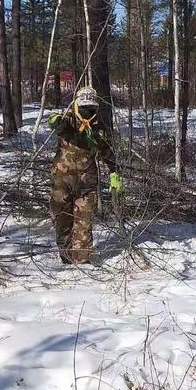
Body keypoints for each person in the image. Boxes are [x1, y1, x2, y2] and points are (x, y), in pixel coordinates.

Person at [48, 86, 124, 264]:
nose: (88, 112)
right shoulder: (68, 120)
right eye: (84, 108)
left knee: (84, 225)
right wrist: (56, 121)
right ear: (76, 105)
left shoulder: (99, 128)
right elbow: (55, 122)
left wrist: (114, 173)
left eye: (91, 109)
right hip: (62, 184)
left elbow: (107, 152)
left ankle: (82, 265)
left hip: (86, 184)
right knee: (62, 221)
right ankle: (66, 257)